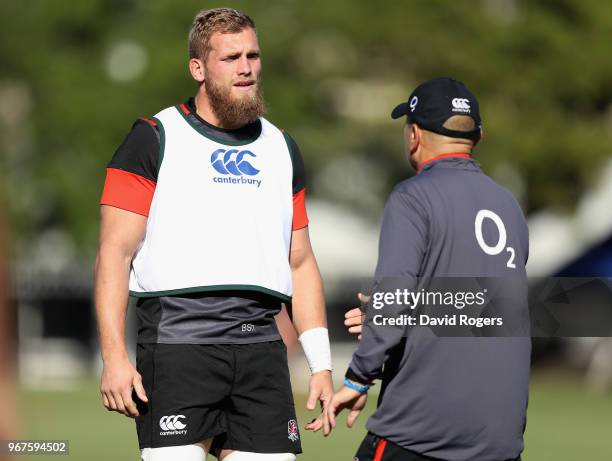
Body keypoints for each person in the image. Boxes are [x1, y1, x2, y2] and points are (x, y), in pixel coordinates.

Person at [94, 8, 333, 461]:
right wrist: (113, 356)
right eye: (231, 57)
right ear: (198, 68)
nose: (246, 67)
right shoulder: (153, 137)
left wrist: (320, 363)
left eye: (253, 55)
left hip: (262, 350)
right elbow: (113, 254)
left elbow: (300, 262)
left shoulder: (282, 148)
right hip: (178, 348)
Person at [327, 77, 531, 461]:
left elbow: (394, 300)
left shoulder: (413, 197)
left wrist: (358, 376)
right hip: (499, 439)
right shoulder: (509, 206)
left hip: (422, 432)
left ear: (414, 135)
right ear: (478, 136)